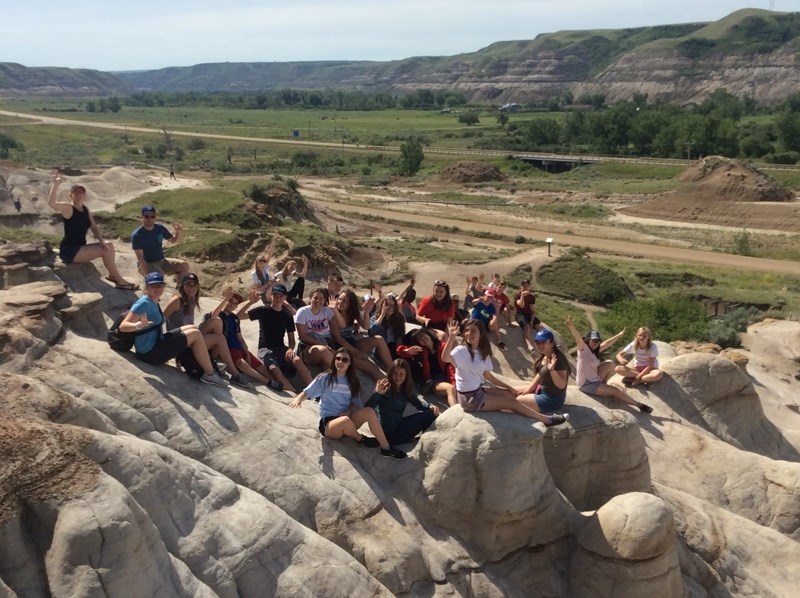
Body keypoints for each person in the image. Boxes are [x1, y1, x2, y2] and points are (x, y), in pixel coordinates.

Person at [442, 319, 567, 426]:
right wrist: (451, 337)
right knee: (512, 403)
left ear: (481, 334)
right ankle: (547, 420)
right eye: (466, 331)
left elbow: (488, 376)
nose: (469, 333)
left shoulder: (482, 352)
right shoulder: (461, 351)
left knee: (511, 394)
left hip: (478, 391)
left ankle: (533, 412)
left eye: (473, 331)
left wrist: (509, 387)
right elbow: (445, 358)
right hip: (470, 399)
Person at [289, 348, 407, 460]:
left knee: (369, 412)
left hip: (347, 418)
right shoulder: (325, 377)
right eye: (338, 359)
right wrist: (298, 399)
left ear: (350, 363)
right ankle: (360, 438)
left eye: (345, 360)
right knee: (344, 421)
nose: (341, 362)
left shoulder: (352, 381)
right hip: (329, 424)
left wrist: (349, 411)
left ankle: (386, 448)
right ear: (334, 360)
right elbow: (307, 392)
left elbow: (355, 404)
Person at [119, 272, 228, 387]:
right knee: (195, 334)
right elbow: (123, 326)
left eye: (160, 285)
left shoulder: (153, 301)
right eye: (153, 286)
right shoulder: (143, 303)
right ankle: (210, 374)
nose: (157, 289)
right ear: (146, 287)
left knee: (193, 328)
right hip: (149, 353)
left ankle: (206, 363)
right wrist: (139, 325)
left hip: (156, 344)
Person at [47, 170, 138, 290]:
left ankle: (113, 275)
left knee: (108, 245)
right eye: (76, 192)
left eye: (81, 192)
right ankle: (119, 280)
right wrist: (56, 184)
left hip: (80, 247)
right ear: (70, 195)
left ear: (84, 195)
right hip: (70, 251)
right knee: (105, 251)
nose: (78, 194)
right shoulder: (68, 208)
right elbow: (51, 203)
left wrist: (100, 240)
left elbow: (94, 226)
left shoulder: (85, 210)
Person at [162, 273, 252, 389]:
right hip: (181, 340)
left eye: (194, 285)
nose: (192, 288)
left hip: (190, 336)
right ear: (182, 286)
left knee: (217, 322)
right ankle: (234, 374)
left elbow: (213, 317)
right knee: (219, 338)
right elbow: (161, 318)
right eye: (188, 285)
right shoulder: (177, 300)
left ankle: (213, 359)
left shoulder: (191, 300)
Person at [565, 318, 652, 414]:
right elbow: (578, 339)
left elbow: (607, 343)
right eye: (593, 340)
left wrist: (619, 335)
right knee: (616, 391)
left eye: (597, 341)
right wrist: (571, 327)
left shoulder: (594, 351)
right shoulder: (583, 350)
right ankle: (639, 405)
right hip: (587, 384)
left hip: (594, 379)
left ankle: (604, 385)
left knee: (610, 363)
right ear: (588, 340)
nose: (596, 343)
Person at [211, 287, 283, 388]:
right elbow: (213, 315)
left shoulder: (234, 319)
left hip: (238, 348)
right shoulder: (219, 315)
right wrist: (226, 298)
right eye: (230, 301)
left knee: (261, 367)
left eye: (235, 303)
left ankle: (276, 382)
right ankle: (268, 382)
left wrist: (246, 352)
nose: (232, 304)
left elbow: (240, 338)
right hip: (227, 349)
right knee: (242, 364)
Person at [248, 283, 313, 393]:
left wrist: (290, 349)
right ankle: (293, 392)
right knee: (274, 369)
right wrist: (250, 302)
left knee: (297, 360)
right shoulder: (263, 310)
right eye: (276, 295)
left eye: (281, 296)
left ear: (285, 298)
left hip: (281, 348)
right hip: (265, 348)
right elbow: (239, 316)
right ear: (271, 296)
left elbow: (292, 340)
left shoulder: (287, 315)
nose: (278, 298)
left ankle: (313, 390)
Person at [366, 359, 439, 445]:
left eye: (401, 374)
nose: (398, 377)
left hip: (399, 425)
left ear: (406, 375)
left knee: (430, 413)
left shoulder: (405, 390)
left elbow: (419, 404)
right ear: (391, 373)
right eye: (395, 373)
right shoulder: (385, 388)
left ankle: (423, 437)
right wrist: (377, 393)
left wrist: (430, 406)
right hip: (386, 434)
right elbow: (368, 407)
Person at [511, 328, 571, 424]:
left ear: (551, 343)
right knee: (511, 391)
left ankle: (548, 420)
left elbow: (561, 385)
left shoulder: (558, 359)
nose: (540, 345)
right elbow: (540, 375)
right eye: (538, 342)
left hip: (552, 399)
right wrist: (528, 390)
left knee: (516, 401)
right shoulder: (545, 355)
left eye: (543, 342)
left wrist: (552, 370)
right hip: (541, 390)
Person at [333, 290, 391, 381]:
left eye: (344, 301)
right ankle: (390, 389)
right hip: (339, 347)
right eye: (339, 299)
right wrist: (356, 352)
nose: (340, 302)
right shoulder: (333, 314)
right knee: (371, 367)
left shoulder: (352, 313)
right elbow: (338, 338)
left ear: (350, 304)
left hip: (350, 342)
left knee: (379, 339)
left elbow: (366, 327)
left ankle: (392, 368)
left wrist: (367, 312)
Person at [396, 327, 456, 407]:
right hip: (435, 381)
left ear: (429, 335)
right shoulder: (422, 351)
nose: (423, 339)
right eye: (420, 339)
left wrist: (454, 382)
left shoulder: (443, 347)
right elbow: (399, 351)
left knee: (455, 389)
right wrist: (406, 351)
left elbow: (451, 367)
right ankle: (456, 411)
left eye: (423, 335)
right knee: (450, 389)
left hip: (449, 377)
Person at [131, 205, 188, 282]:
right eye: (147, 216)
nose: (150, 219)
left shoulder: (160, 228)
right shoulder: (137, 235)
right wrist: (147, 274)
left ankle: (180, 289)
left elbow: (173, 240)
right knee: (159, 275)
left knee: (183, 265)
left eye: (152, 216)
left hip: (161, 261)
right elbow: (140, 258)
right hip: (147, 264)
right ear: (142, 217)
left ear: (155, 217)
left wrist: (178, 232)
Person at [294, 288, 344, 370]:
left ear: (324, 300)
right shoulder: (303, 312)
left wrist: (335, 310)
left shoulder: (326, 311)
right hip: (309, 346)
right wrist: (321, 344)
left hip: (326, 342)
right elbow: (302, 336)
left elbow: (342, 325)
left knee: (328, 365)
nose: (318, 301)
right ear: (310, 299)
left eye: (321, 298)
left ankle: (337, 379)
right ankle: (343, 373)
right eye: (315, 298)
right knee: (324, 351)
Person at [369, 292, 407, 359]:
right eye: (387, 305)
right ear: (383, 306)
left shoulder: (399, 318)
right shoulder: (376, 317)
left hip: (394, 345)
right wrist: (382, 315)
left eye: (392, 305)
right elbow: (371, 332)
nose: (390, 308)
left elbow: (399, 336)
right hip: (382, 347)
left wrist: (401, 350)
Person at [514, 279, 541, 354]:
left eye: (527, 286)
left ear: (529, 287)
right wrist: (522, 296)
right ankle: (529, 346)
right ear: (521, 287)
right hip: (520, 314)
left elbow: (533, 310)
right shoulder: (517, 295)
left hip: (529, 314)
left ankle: (550, 343)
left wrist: (532, 320)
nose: (525, 287)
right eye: (523, 286)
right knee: (527, 327)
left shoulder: (531, 297)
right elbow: (521, 305)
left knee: (539, 327)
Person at [251, 234, 279, 303]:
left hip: (269, 290)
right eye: (261, 260)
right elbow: (258, 290)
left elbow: (270, 254)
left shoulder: (264, 269)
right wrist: (268, 284)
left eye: (264, 260)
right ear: (256, 262)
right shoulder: (254, 274)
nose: (263, 262)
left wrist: (273, 242)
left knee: (278, 280)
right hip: (263, 294)